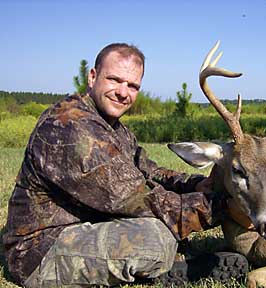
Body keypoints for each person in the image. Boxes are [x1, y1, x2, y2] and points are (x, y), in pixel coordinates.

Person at [3, 43, 248, 287]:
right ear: (92, 76)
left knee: (161, 224)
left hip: (85, 225)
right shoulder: (70, 127)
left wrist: (197, 184)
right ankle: (167, 269)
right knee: (156, 238)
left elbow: (150, 172)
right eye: (114, 80)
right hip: (39, 252)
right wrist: (219, 207)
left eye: (133, 86)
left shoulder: (111, 126)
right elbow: (137, 198)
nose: (123, 92)